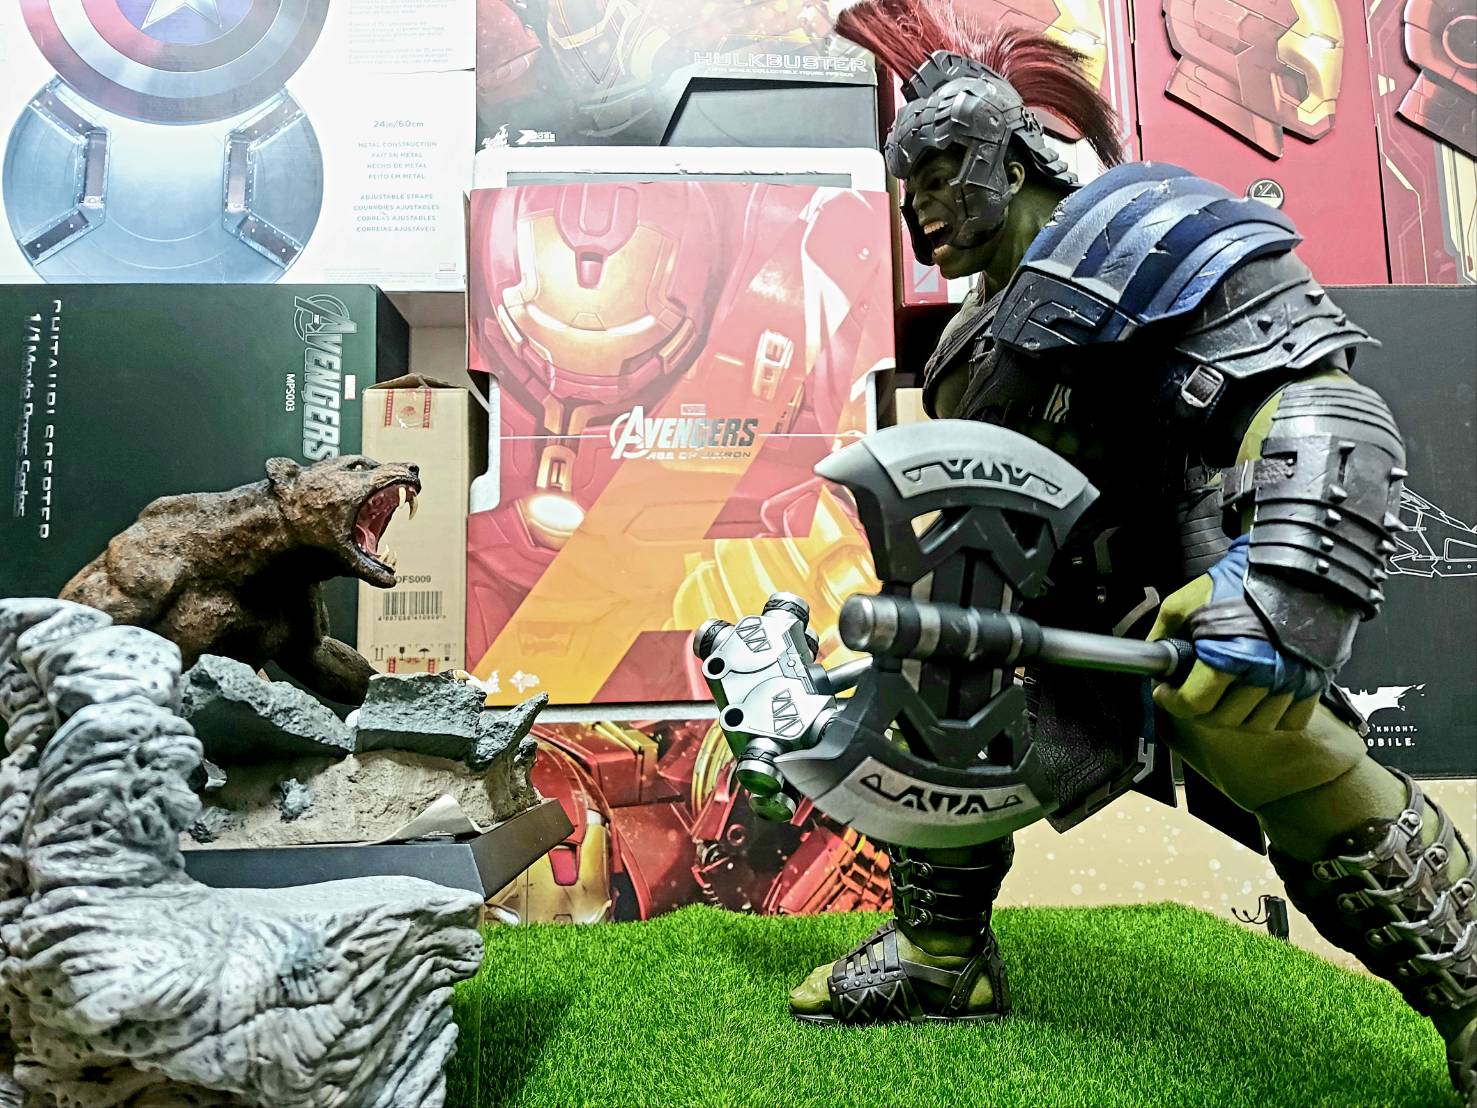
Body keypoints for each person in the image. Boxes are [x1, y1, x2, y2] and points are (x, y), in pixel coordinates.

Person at [780, 2, 1474, 1099]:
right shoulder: (967, 345)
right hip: (1061, 628)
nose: (920, 214)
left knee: (1279, 757)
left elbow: (1320, 405)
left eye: (940, 176)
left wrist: (1276, 586)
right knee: (935, 695)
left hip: (1204, 595)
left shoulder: (1148, 225)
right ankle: (941, 954)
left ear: (1011, 159)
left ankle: (1471, 994)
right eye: (907, 192)